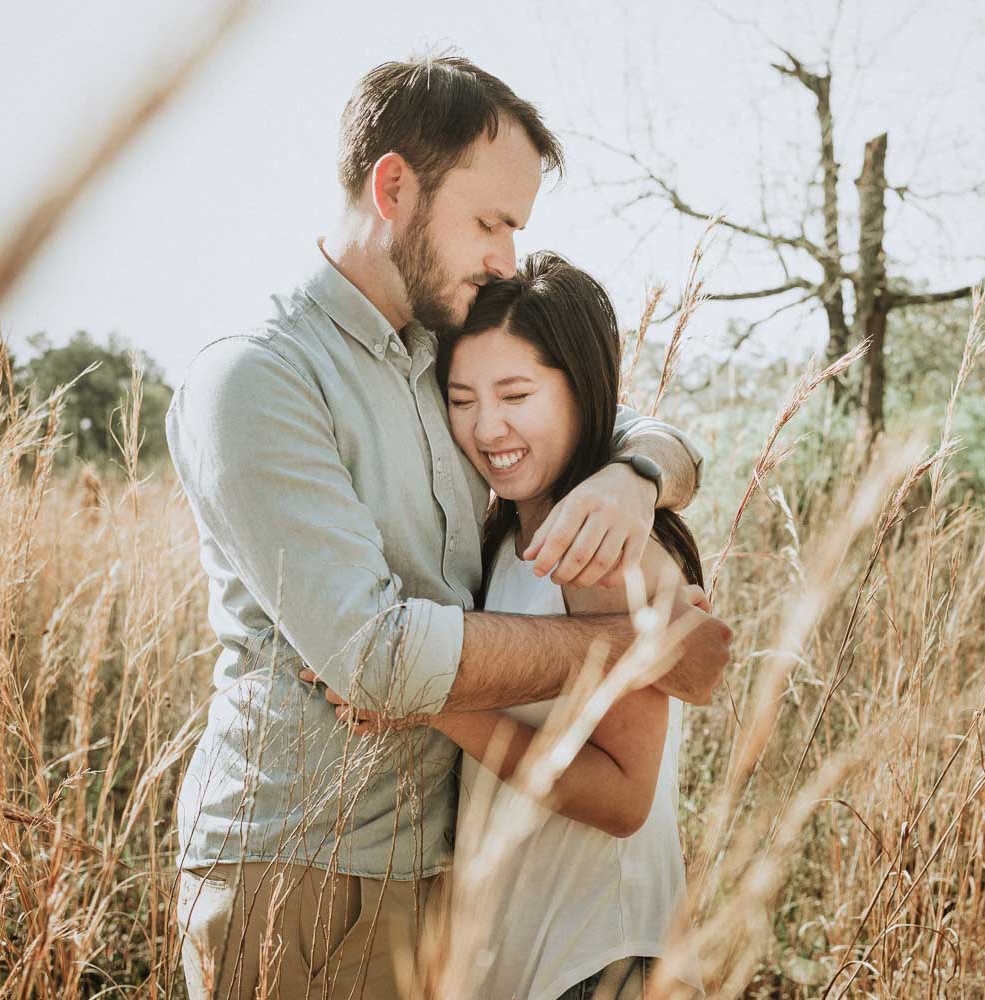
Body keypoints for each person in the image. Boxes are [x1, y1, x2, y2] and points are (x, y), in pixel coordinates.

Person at [168, 55, 732, 999]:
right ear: (393, 188)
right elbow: (375, 659)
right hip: (301, 868)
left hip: (439, 873)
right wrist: (636, 646)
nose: (507, 257)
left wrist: (637, 478)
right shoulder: (261, 380)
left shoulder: (441, 356)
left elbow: (607, 423)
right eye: (490, 222)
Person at [326, 252, 705, 999]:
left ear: (582, 390)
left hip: (598, 958)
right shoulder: (503, 540)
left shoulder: (603, 548)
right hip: (520, 956)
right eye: (461, 399)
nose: (487, 426)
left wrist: (435, 701)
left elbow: (625, 801)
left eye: (516, 394)